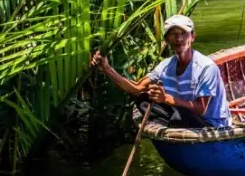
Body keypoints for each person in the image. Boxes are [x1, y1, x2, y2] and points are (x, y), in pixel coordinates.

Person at [90, 14, 231, 129]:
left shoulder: (206, 67)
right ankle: (172, 128)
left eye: (184, 33)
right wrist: (106, 68)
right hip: (184, 116)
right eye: (173, 34)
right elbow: (136, 88)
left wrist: (167, 99)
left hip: (210, 124)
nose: (179, 39)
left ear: (192, 36)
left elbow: (201, 109)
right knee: (143, 100)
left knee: (179, 116)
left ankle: (174, 127)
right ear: (166, 39)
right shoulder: (165, 66)